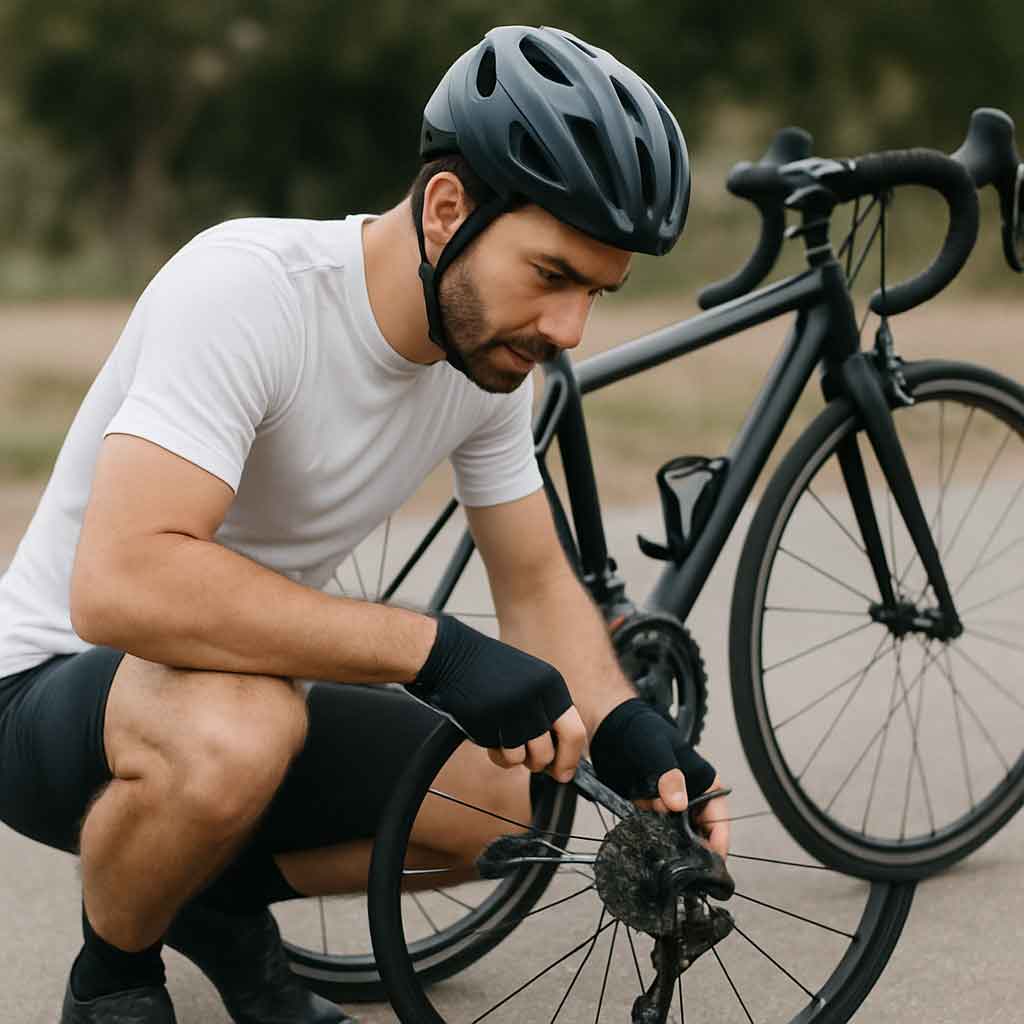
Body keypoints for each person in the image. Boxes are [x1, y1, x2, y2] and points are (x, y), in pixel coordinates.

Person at [0, 24, 729, 1024]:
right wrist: (428, 648)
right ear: (445, 209)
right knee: (240, 727)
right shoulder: (249, 289)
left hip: (245, 703)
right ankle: (112, 976)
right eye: (553, 275)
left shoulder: (484, 363)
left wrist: (627, 730)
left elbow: (535, 586)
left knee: (510, 803)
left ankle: (194, 892)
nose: (568, 332)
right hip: (50, 691)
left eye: (597, 294)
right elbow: (122, 581)